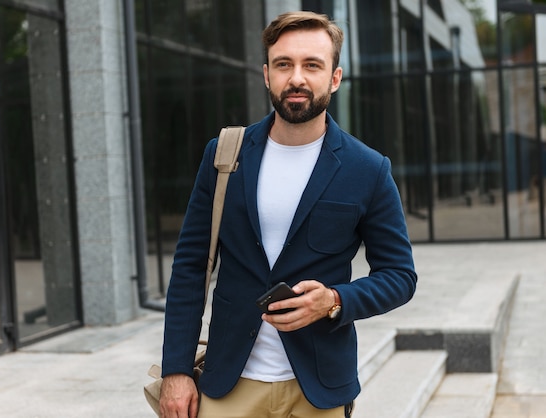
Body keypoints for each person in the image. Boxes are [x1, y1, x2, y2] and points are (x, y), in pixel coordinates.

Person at [159, 10, 417, 418]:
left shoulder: (368, 169)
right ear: (267, 75)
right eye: (284, 64)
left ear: (334, 77)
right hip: (229, 385)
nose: (296, 77)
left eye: (312, 65)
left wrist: (333, 300)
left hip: (318, 388)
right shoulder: (225, 155)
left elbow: (400, 277)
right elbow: (191, 267)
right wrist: (176, 370)